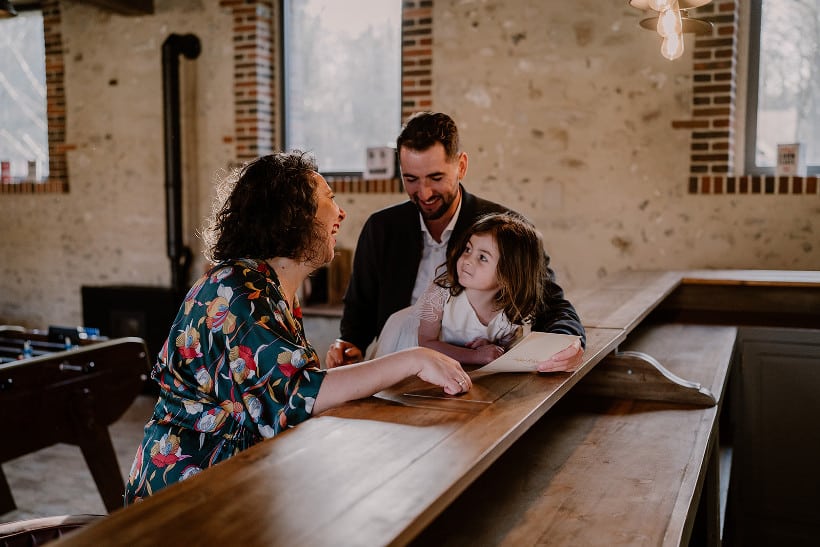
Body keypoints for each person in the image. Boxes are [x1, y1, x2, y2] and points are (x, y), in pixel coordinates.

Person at [124, 152, 471, 504]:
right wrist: (413, 359)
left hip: (238, 481)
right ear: (291, 217)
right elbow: (297, 397)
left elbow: (282, 390)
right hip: (187, 496)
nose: (341, 213)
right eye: (329, 200)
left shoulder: (268, 288)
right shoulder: (237, 291)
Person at [327, 112, 585, 371]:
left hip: (477, 375)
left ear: (461, 166)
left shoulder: (505, 230)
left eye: (436, 178)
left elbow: (550, 303)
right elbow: (360, 310)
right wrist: (348, 342)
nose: (424, 193)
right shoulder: (381, 228)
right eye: (411, 179)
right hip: (395, 362)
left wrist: (567, 343)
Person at [373, 212, 549, 365]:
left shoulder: (511, 313)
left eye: (482, 257)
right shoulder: (439, 294)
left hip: (457, 365)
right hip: (412, 348)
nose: (467, 260)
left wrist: (492, 348)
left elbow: (506, 353)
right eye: (468, 249)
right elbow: (426, 343)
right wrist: (475, 355)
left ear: (509, 275)